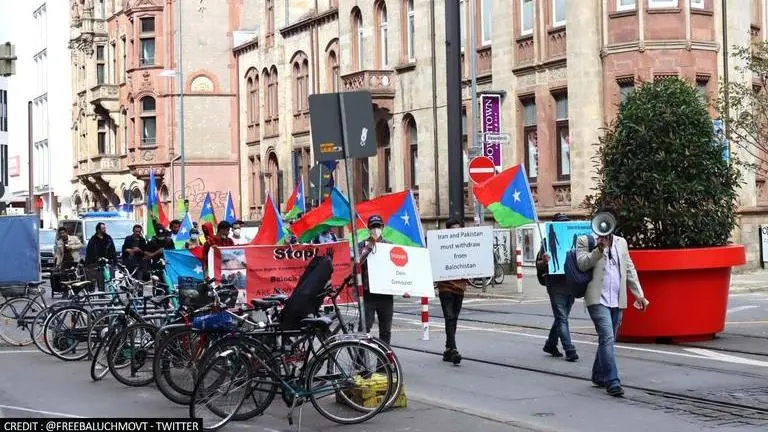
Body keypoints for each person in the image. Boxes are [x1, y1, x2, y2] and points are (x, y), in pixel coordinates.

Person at [576, 205, 650, 397]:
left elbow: (629, 269)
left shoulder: (621, 243)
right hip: (596, 299)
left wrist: (639, 294)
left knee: (608, 339)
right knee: (607, 337)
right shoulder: (586, 240)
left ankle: (597, 375)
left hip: (617, 300)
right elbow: (582, 264)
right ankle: (612, 381)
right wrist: (598, 250)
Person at [359, 214, 409, 345]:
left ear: (382, 227)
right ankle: (358, 362)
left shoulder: (389, 246)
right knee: (364, 330)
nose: (376, 229)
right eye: (373, 226)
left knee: (385, 331)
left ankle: (382, 365)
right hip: (368, 295)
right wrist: (369, 246)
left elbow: (397, 270)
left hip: (386, 296)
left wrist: (404, 288)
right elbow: (357, 264)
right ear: (368, 228)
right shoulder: (362, 245)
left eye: (378, 226)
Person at [536, 213, 578, 362]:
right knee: (562, 317)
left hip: (570, 283)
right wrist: (545, 261)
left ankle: (550, 344)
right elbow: (539, 265)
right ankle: (569, 348)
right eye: (561, 224)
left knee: (562, 317)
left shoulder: (575, 238)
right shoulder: (547, 241)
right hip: (555, 285)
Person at [436, 218, 467, 365]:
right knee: (449, 317)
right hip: (445, 286)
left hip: (460, 287)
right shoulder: (441, 245)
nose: (456, 231)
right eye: (453, 228)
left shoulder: (464, 246)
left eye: (458, 228)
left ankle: (448, 349)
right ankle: (453, 349)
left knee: (454, 318)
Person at [85, 222, 117, 290]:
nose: (105, 230)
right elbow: (89, 252)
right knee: (100, 281)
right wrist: (89, 263)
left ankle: (113, 295)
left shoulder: (108, 238)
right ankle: (101, 296)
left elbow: (113, 250)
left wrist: (115, 262)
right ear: (98, 230)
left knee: (111, 280)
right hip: (98, 264)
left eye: (105, 228)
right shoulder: (93, 239)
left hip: (108, 262)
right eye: (103, 228)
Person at [52, 227, 83, 294]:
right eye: (61, 233)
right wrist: (57, 264)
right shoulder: (59, 242)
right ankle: (65, 292)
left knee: (74, 277)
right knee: (63, 277)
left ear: (66, 232)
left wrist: (71, 247)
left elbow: (80, 245)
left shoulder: (74, 238)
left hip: (74, 260)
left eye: (63, 233)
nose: (62, 234)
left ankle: (75, 292)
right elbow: (59, 254)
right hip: (65, 262)